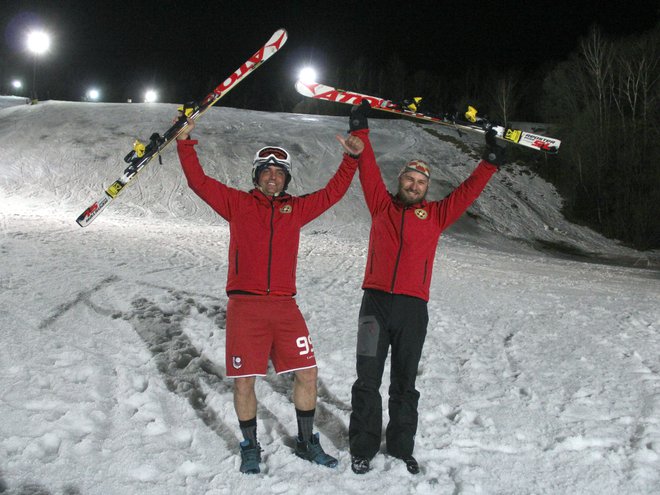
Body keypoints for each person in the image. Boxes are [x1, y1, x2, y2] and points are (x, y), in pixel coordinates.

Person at [175, 116, 364, 474]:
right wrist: (184, 142)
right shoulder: (237, 204)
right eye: (266, 170)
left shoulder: (296, 210)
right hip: (245, 306)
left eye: (279, 172)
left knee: (308, 373)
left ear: (287, 179)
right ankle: (250, 445)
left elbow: (333, 194)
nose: (272, 176)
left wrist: (351, 159)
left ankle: (308, 443)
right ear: (257, 175)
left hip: (284, 307)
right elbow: (197, 181)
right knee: (245, 381)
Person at [346, 101, 505, 475]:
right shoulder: (381, 206)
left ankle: (402, 446)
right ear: (400, 180)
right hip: (375, 305)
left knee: (404, 382)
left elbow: (467, 192)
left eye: (421, 183)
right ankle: (363, 447)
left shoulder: (435, 216)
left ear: (426, 189)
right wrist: (360, 129)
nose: (414, 186)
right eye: (409, 179)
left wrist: (491, 161)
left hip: (412, 311)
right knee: (367, 379)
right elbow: (366, 169)